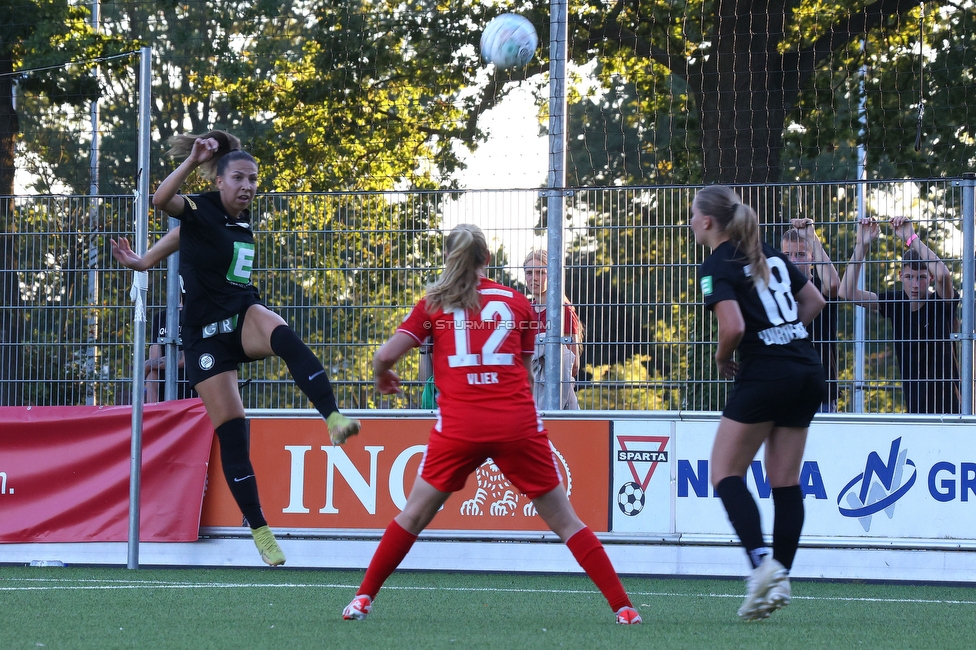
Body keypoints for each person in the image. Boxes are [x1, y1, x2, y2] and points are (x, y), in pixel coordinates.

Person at [341, 224, 641, 625]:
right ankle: (624, 608)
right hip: (516, 425)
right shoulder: (518, 303)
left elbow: (384, 356)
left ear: (449, 258)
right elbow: (526, 369)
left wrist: (383, 375)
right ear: (488, 260)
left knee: (412, 516)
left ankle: (362, 600)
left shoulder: (434, 302)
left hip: (460, 428)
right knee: (567, 520)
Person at [110, 130, 361, 566]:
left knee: (282, 332)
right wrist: (189, 162)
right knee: (233, 431)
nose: (248, 187)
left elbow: (191, 237)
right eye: (240, 179)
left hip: (241, 314)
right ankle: (259, 527)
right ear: (220, 182)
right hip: (205, 334)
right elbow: (161, 201)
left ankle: (333, 417)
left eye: (254, 180)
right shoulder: (201, 206)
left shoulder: (237, 217)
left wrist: (148, 259)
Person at [691, 185, 826, 621]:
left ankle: (760, 566)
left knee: (724, 472)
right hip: (806, 368)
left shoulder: (715, 264)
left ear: (708, 221)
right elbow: (814, 301)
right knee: (785, 480)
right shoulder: (765, 251)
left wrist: (723, 357)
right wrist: (782, 333)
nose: (690, 221)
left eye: (693, 215)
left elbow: (730, 326)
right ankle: (779, 577)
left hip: (766, 373)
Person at [838, 216, 960, 414]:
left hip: (949, 406)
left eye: (921, 278)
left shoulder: (941, 301)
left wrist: (911, 238)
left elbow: (943, 275)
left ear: (929, 278)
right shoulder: (895, 302)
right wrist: (862, 245)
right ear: (900, 276)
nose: (914, 284)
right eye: (909, 277)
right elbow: (846, 293)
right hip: (915, 406)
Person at [780, 218, 841, 411]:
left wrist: (811, 237)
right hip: (784, 389)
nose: (793, 260)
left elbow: (833, 284)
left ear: (812, 257)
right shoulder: (775, 290)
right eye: (787, 254)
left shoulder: (818, 286)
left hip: (820, 391)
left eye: (800, 254)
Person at [523, 249, 583, 410]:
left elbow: (574, 365)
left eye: (540, 272)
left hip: (555, 398)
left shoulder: (563, 310)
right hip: (528, 394)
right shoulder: (526, 310)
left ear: (551, 275)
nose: (534, 278)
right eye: (529, 273)